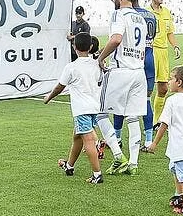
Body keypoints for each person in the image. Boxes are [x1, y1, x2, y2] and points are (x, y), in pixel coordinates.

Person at [44, 32, 124, 184]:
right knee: (77, 136)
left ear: (74, 47)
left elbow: (59, 88)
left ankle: (97, 174)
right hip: (94, 107)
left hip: (82, 110)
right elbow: (100, 81)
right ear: (91, 46)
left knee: (87, 140)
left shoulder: (71, 67)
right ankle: (69, 166)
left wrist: (48, 98)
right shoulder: (96, 64)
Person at [96, 0, 148, 175]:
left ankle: (118, 156)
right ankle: (133, 164)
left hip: (121, 71)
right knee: (133, 117)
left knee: (100, 113)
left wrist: (101, 57)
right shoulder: (141, 18)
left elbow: (117, 39)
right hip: (139, 72)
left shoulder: (119, 14)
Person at [144, 65, 183, 216]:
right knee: (175, 167)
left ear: (178, 82)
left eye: (171, 78)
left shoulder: (172, 101)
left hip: (180, 142)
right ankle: (179, 195)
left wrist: (154, 143)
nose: (168, 81)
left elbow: (164, 124)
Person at [148, 0, 180, 124]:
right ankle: (146, 120)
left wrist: (175, 46)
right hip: (150, 51)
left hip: (163, 52)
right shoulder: (146, 12)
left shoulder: (166, 12)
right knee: (147, 90)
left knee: (163, 88)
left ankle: (156, 120)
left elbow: (170, 32)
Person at [134, 2, 159, 147]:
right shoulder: (151, 15)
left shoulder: (130, 15)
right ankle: (149, 139)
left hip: (135, 59)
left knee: (123, 101)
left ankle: (117, 137)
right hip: (150, 59)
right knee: (146, 100)